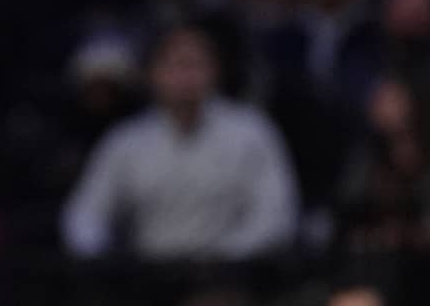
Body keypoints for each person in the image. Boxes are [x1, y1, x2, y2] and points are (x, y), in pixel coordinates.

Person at [60, 24, 301, 261]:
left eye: (195, 65)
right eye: (174, 65)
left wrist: (223, 258)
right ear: (153, 74)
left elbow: (276, 216)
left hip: (229, 274)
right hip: (145, 276)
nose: (185, 77)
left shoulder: (251, 131)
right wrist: (103, 259)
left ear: (215, 71)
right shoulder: (126, 139)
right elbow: (84, 215)